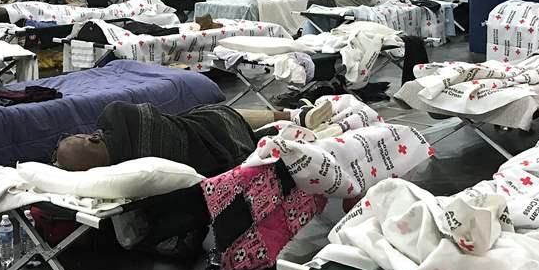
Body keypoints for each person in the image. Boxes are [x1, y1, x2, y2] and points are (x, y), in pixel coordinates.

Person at [53, 101, 332, 176]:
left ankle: (304, 128)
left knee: (214, 121)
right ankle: (295, 116)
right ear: (91, 141)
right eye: (78, 136)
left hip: (218, 157)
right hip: (213, 131)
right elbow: (149, 114)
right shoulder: (117, 116)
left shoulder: (125, 163)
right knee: (215, 114)